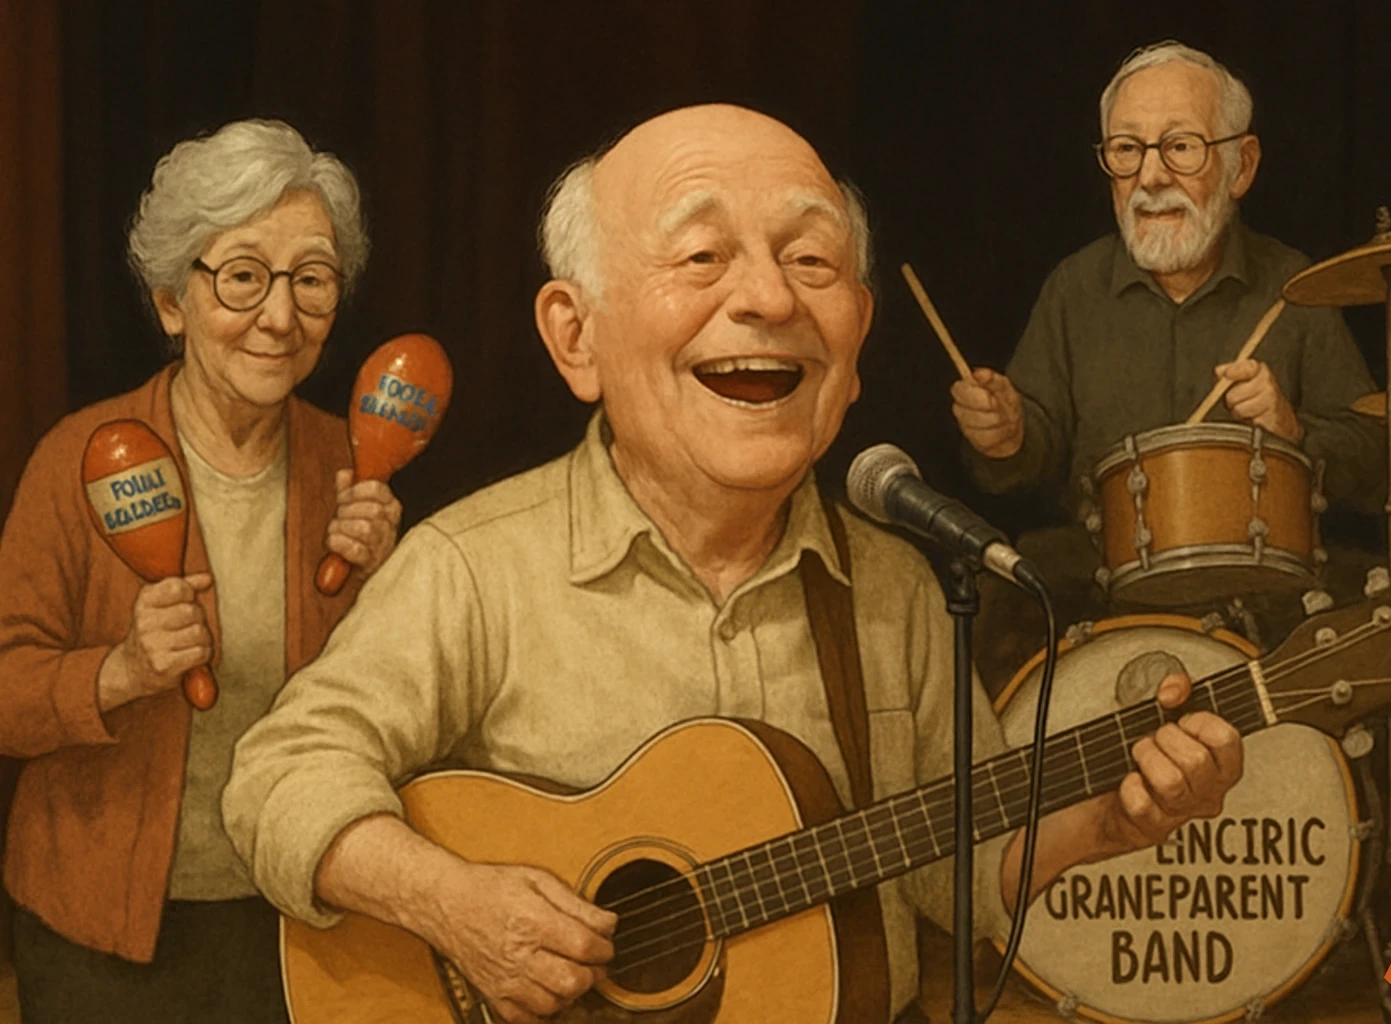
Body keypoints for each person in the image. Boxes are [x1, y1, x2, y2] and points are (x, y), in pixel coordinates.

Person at [222, 104, 1244, 1024]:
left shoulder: (899, 588)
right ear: (576, 337)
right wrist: (450, 903)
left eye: (809, 261)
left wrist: (1109, 818)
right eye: (702, 256)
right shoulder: (470, 568)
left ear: (855, 344)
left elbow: (953, 875)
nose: (767, 297)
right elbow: (277, 776)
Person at [0, 119, 403, 1022]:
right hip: (102, 932)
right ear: (172, 302)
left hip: (302, 915)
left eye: (312, 280)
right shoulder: (79, 458)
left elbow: (398, 720)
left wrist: (389, 589)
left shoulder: (353, 463)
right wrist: (118, 672)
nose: (280, 316)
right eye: (244, 276)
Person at [951, 41, 1386, 686]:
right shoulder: (1074, 287)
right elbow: (1031, 448)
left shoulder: (1297, 287)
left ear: (1242, 166)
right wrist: (1008, 432)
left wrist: (1294, 429)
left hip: (1266, 589)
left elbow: (1376, 455)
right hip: (1101, 588)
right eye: (1127, 150)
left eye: (1180, 147)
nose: (1150, 177)